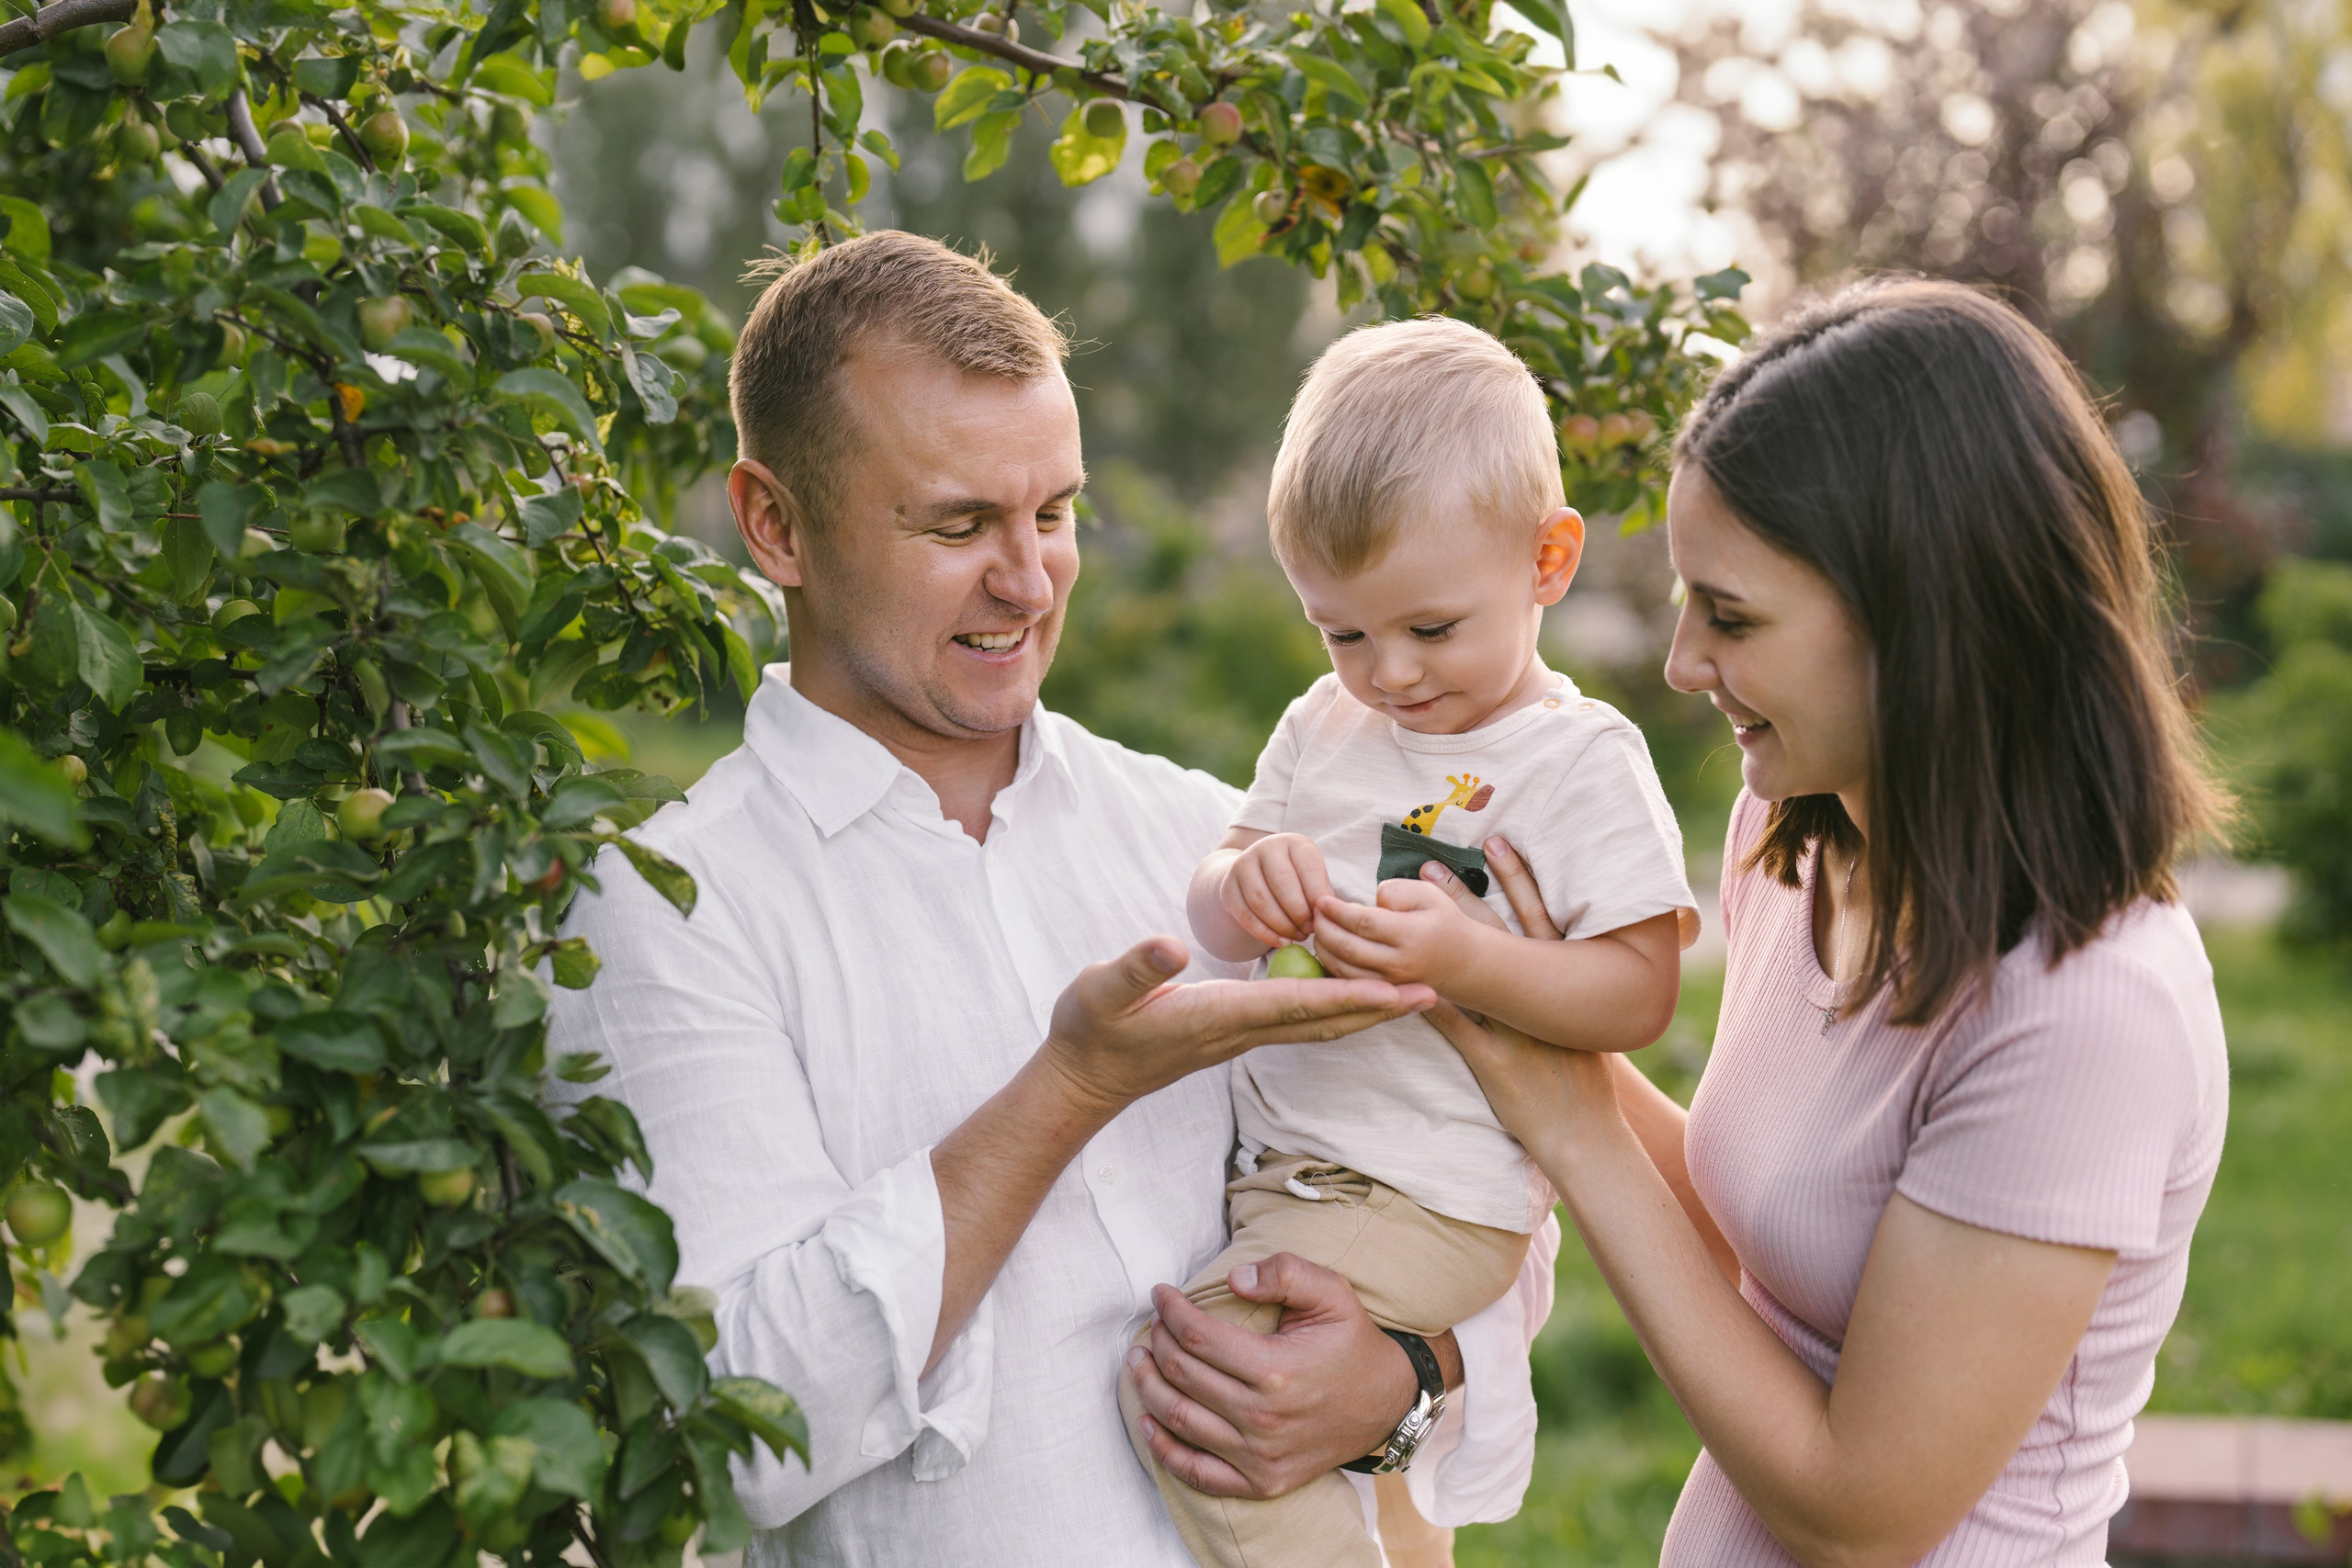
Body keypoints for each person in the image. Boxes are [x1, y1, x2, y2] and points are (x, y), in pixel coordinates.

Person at [543, 231, 1562, 1568]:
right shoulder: (664, 911)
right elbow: (724, 1437)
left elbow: (1460, 1170)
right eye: (958, 524)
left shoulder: (1213, 837)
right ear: (775, 524)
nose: (1029, 582)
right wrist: (1068, 1092)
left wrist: (1405, 1374)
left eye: (1055, 513)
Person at [1414, 277, 2232, 1567]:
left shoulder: (2085, 1009)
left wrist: (1572, 1123)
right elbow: (1776, 1230)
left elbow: (1863, 1513)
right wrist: (1515, 1008)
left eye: (1731, 616)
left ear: (1924, 622)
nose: (1684, 662)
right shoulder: (1795, 846)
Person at [1119, 317, 1695, 1568]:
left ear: (1548, 561)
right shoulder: (1323, 725)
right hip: (1299, 1169)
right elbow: (1221, 890)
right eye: (1343, 631)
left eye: (1431, 630)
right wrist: (1242, 885)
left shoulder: (1576, 759)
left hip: (1430, 1184)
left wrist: (1471, 961)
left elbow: (1639, 989)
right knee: (1373, 1484)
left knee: (1204, 1380)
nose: (1386, 673)